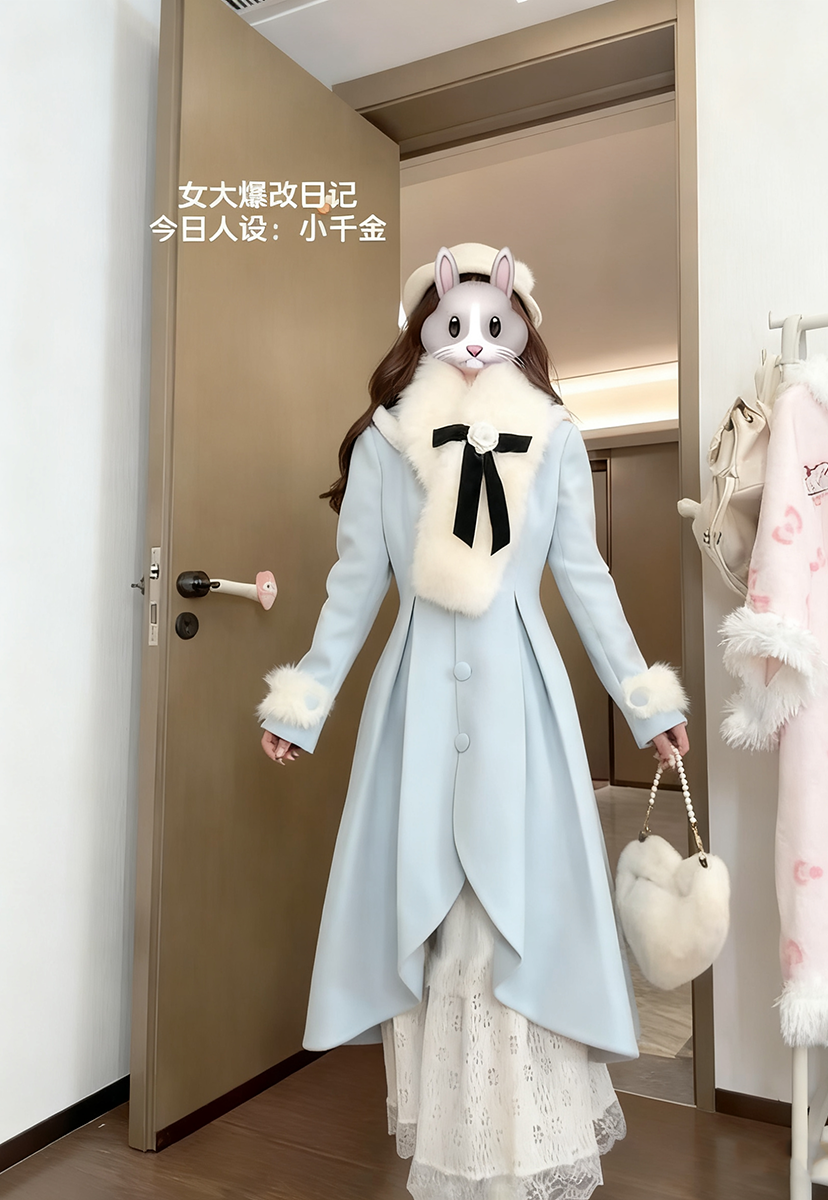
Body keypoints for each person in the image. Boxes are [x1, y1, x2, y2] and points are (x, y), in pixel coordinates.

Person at [258, 243, 689, 1200]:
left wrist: (645, 700)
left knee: (514, 920)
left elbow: (586, 581)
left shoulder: (556, 437)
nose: (473, 343)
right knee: (440, 927)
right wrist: (306, 703)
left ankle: (523, 1156)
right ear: (422, 332)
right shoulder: (384, 444)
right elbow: (352, 588)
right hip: (413, 708)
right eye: (454, 326)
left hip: (522, 706)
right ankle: (458, 1161)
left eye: (495, 326)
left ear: (521, 332)